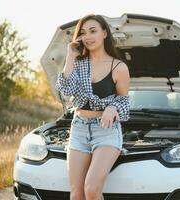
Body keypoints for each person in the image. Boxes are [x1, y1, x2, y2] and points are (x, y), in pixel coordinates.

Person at [55, 14, 130, 200]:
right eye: (83, 33)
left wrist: (112, 108)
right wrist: (70, 56)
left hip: (106, 130)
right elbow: (66, 89)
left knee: (91, 188)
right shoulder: (78, 63)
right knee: (77, 194)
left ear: (104, 33)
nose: (88, 36)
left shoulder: (118, 67)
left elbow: (124, 101)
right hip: (79, 128)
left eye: (93, 31)